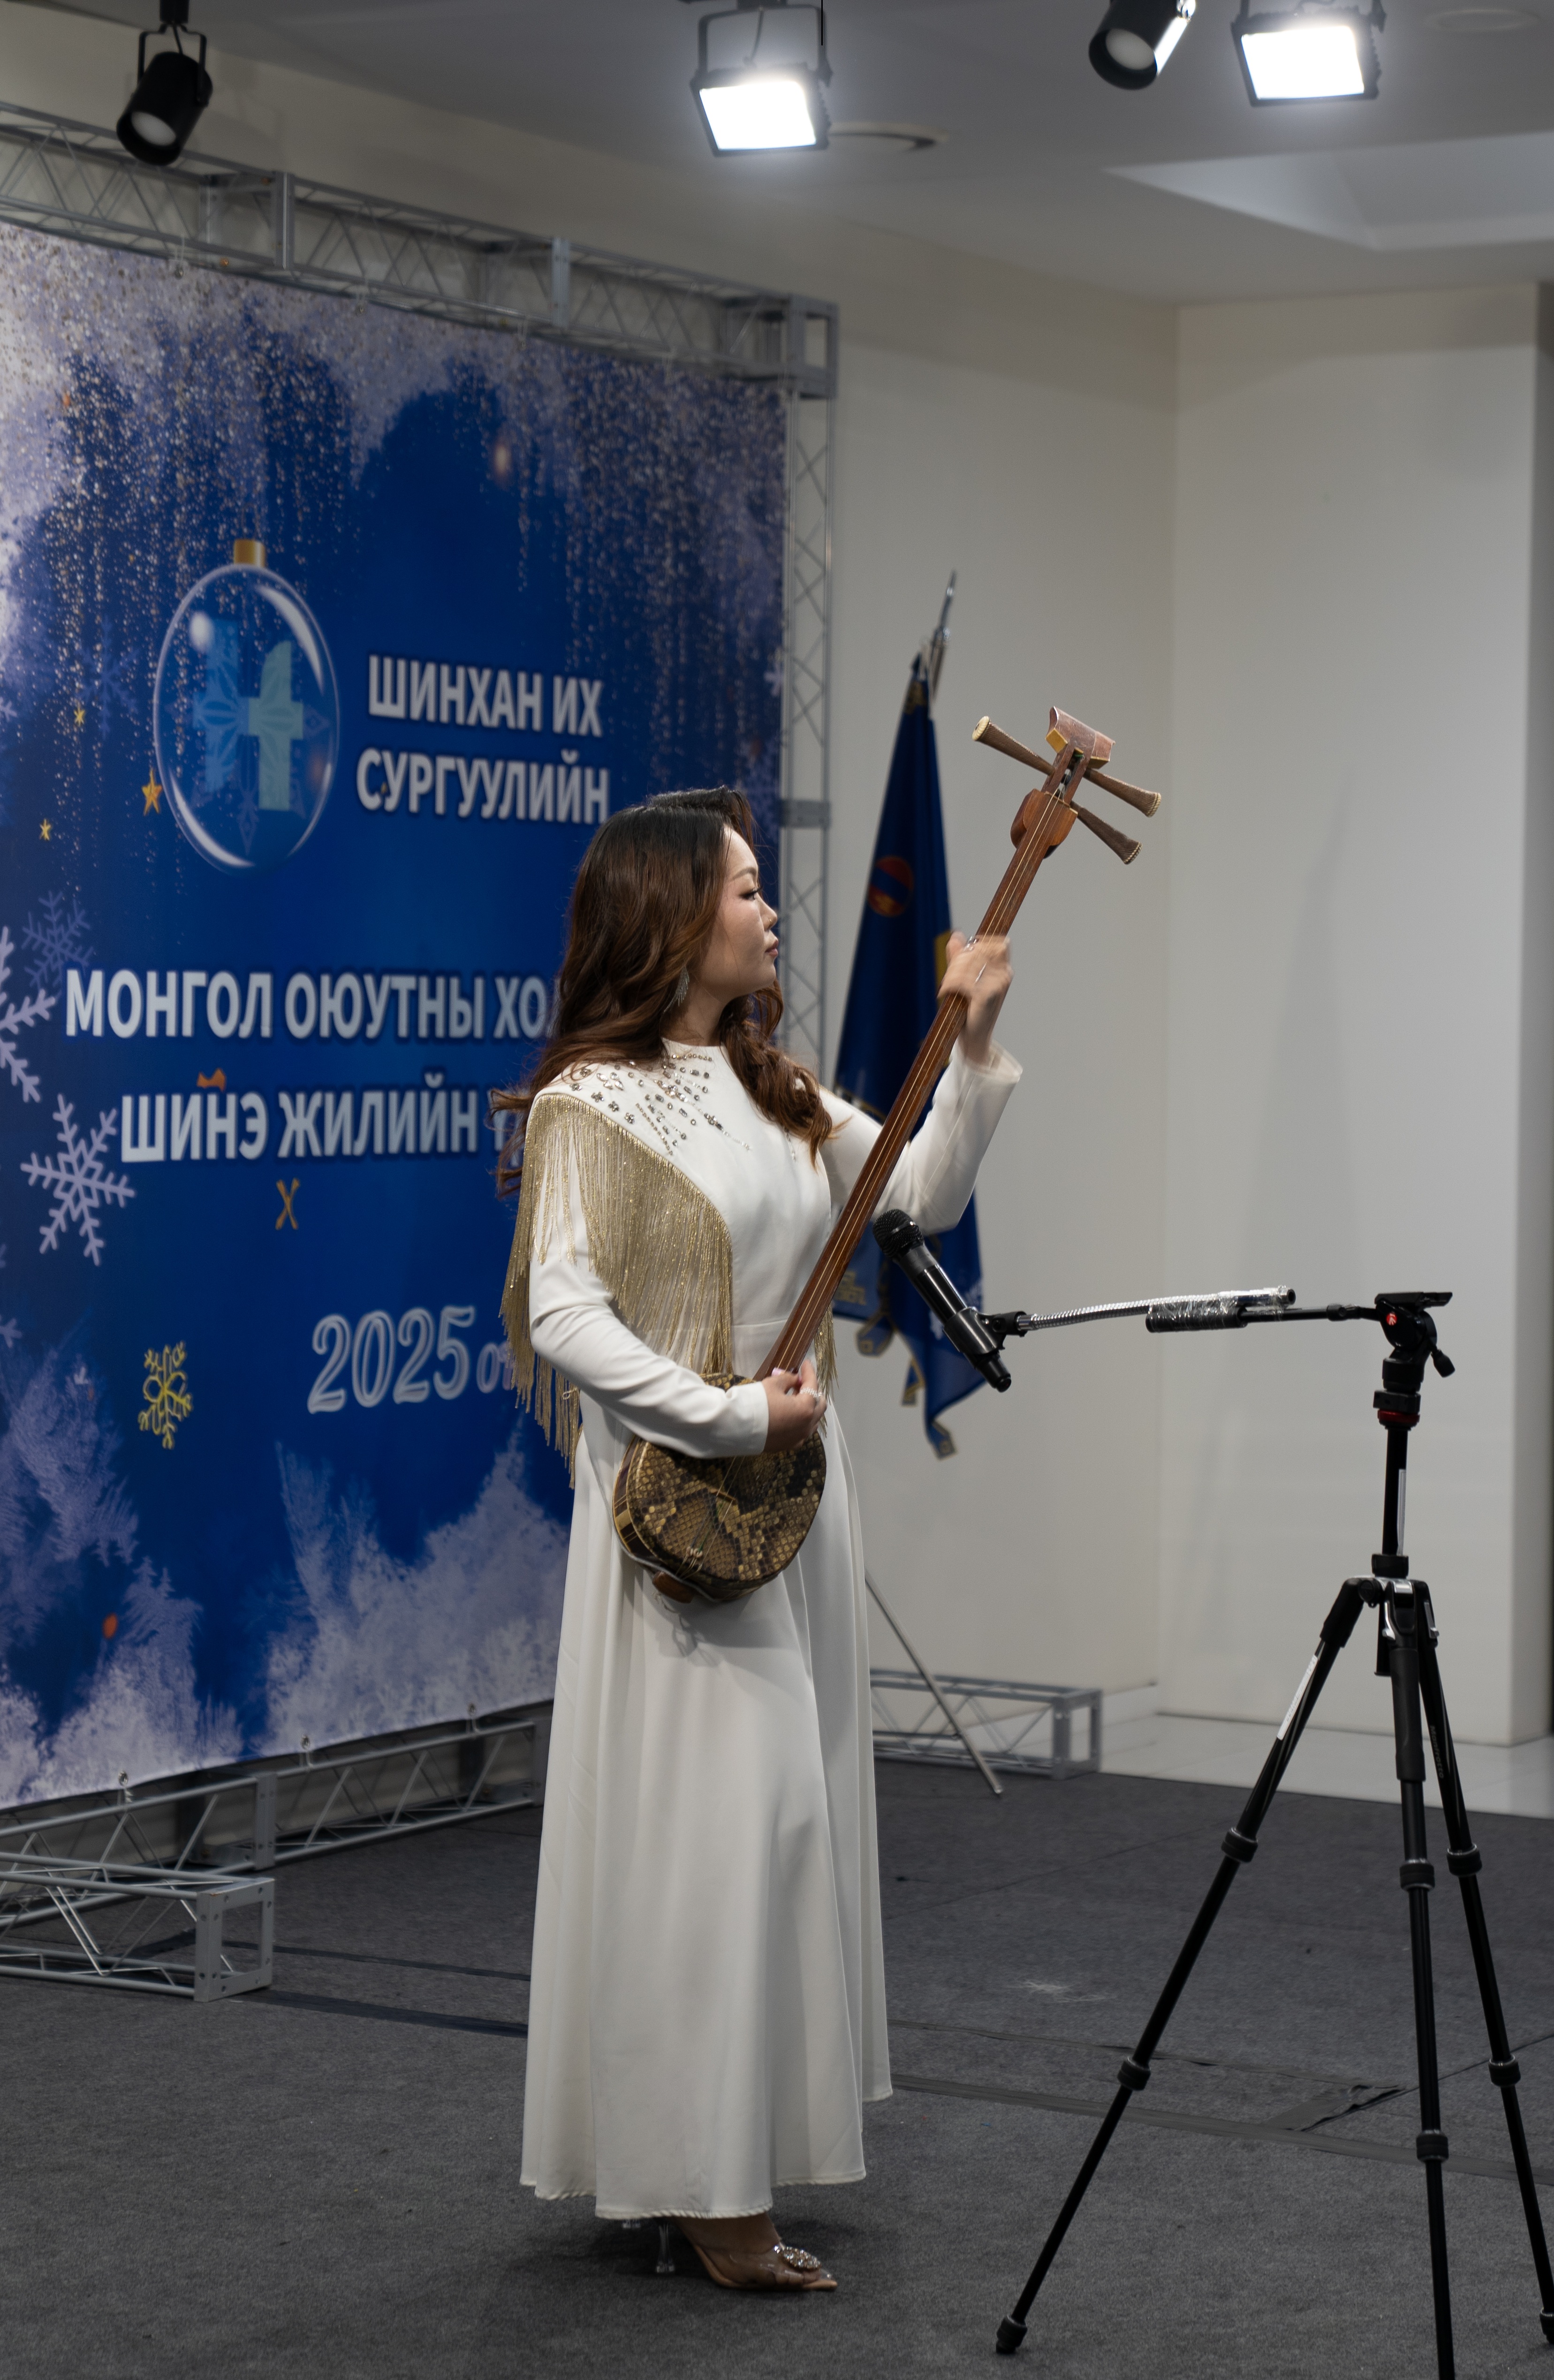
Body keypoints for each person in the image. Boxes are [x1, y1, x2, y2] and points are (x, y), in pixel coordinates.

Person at [497, 785, 1019, 2292]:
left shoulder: (773, 1086)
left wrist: (973, 1044)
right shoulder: (589, 1105)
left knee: (772, 1830)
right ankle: (711, 2198)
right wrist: (730, 1416)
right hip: (689, 1514)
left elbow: (916, 1193)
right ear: (668, 917)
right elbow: (563, 1314)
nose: (768, 908)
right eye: (741, 887)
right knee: (725, 1837)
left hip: (793, 1502)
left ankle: (712, 2167)